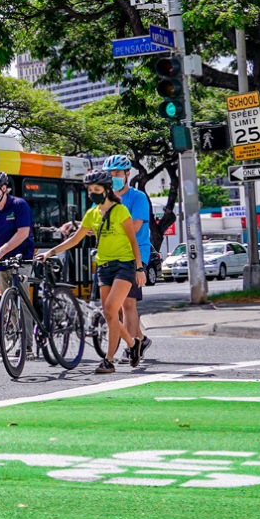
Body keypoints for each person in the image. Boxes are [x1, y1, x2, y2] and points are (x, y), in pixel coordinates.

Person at [38, 169, 142, 374]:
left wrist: (139, 268)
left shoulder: (121, 211)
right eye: (90, 190)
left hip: (125, 264)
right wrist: (50, 252)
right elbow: (75, 239)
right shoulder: (92, 214)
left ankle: (108, 360)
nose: (92, 193)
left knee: (111, 309)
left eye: (97, 189)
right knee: (108, 313)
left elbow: (133, 241)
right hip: (104, 266)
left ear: (106, 190)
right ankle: (133, 344)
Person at [102, 154, 152, 365]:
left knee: (128, 303)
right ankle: (141, 340)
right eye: (110, 174)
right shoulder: (105, 199)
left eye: (117, 174)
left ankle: (129, 346)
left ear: (127, 174)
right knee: (116, 305)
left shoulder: (138, 197)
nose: (113, 177)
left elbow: (136, 227)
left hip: (135, 255)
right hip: (112, 255)